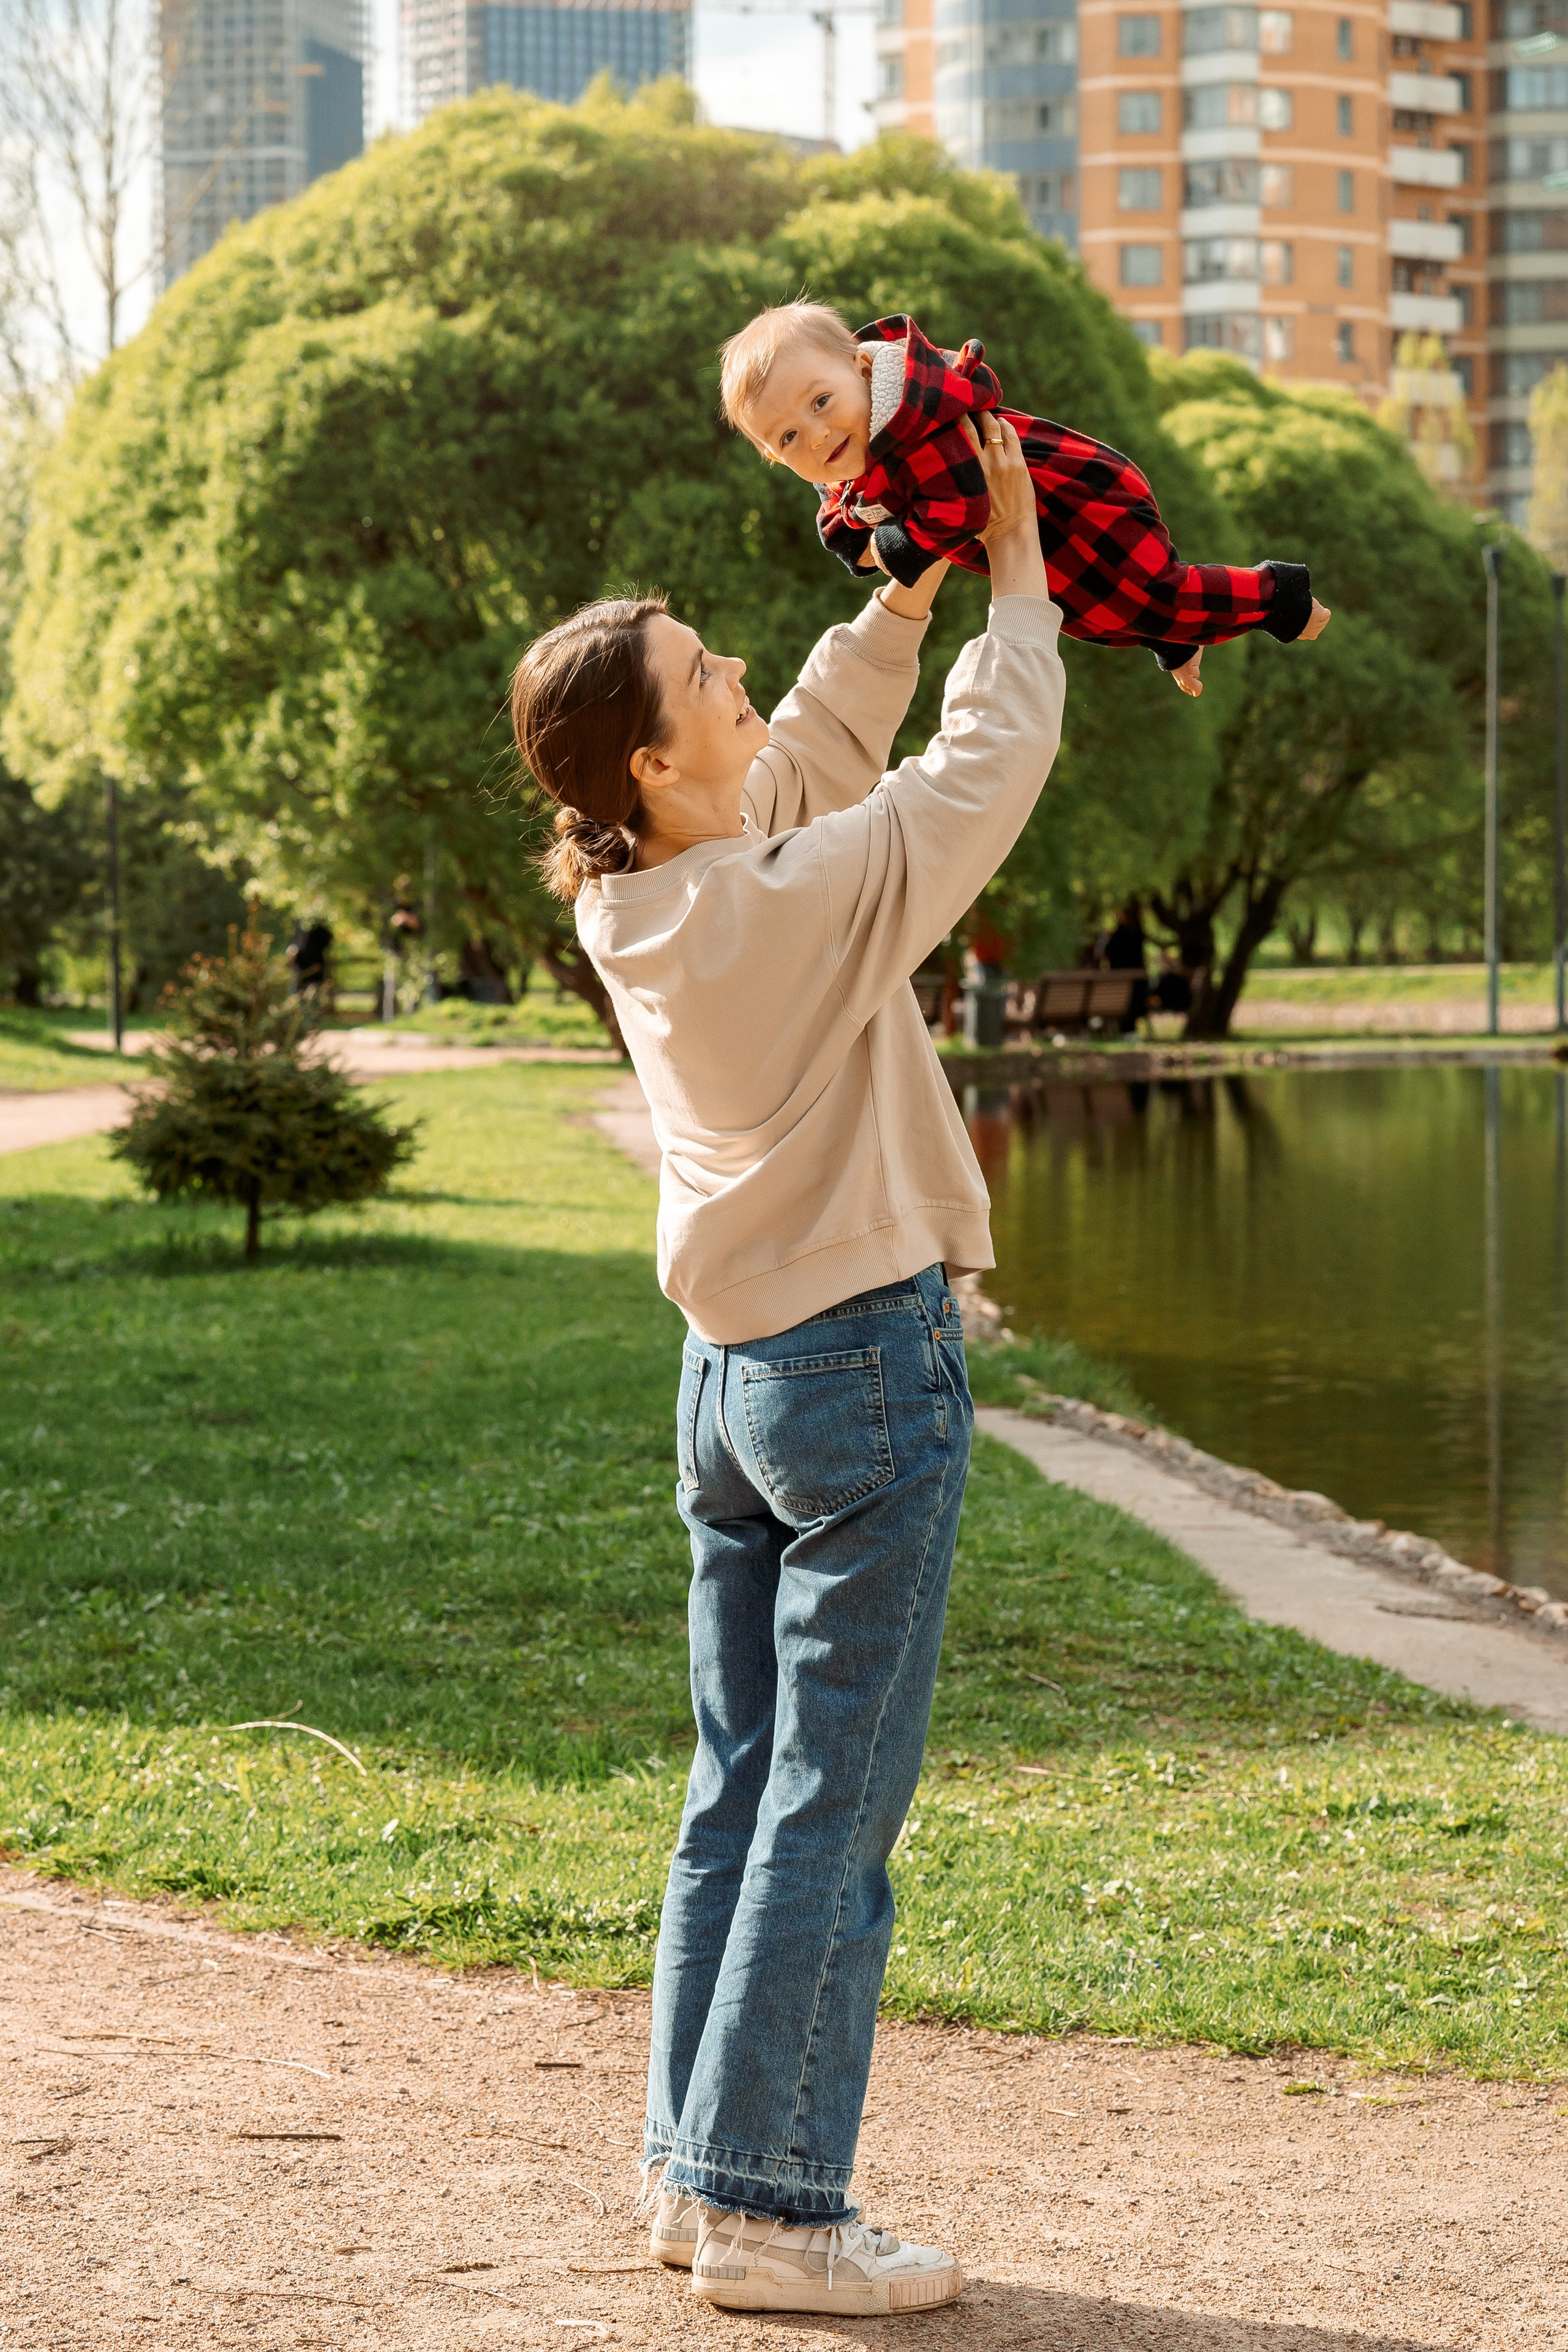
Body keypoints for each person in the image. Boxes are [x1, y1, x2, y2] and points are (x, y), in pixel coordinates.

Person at [509, 418, 1061, 2318]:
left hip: (735, 1381)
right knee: (832, 1797)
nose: (742, 666)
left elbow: (815, 760)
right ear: (656, 760)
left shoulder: (642, 891)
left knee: (740, 1786)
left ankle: (691, 2175)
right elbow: (967, 785)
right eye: (706, 676)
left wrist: (895, 596)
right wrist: (1012, 582)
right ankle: (774, 2210)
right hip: (855, 1371)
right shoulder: (776, 903)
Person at [718, 301, 1332, 699]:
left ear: (860, 369)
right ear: (773, 457)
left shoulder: (915, 424)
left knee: (1152, 593)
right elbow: (844, 515)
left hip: (1087, 502)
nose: (818, 434)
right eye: (789, 437)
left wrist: (885, 546)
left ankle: (1277, 596)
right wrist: (860, 543)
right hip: (1049, 541)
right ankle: (1171, 638)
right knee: (1088, 617)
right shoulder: (854, 459)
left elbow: (958, 514)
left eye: (820, 402)